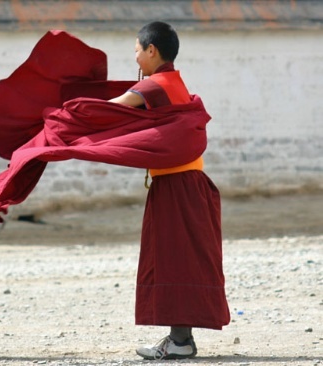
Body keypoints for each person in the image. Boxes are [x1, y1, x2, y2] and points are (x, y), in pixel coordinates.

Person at [109, 21, 230, 360]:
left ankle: (179, 342)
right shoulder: (174, 82)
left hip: (177, 186)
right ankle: (181, 339)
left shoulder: (154, 85)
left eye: (136, 50)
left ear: (152, 51)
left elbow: (109, 110)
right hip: (189, 184)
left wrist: (62, 120)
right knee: (182, 258)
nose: (134, 57)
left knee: (175, 258)